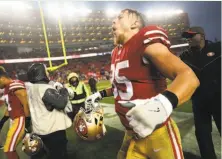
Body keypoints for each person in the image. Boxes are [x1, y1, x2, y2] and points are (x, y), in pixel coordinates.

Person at [85, 9, 199, 159]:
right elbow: (121, 86)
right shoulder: (116, 52)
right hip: (131, 133)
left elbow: (189, 77)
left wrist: (161, 105)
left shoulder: (144, 41)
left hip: (158, 133)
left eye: (120, 18)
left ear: (135, 24)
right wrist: (99, 94)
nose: (113, 21)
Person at [180, 26, 221, 159]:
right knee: (203, 135)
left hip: (219, 98)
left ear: (202, 36)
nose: (188, 39)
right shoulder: (184, 56)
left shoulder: (218, 48)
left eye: (191, 36)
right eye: (187, 37)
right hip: (199, 101)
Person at [26, 63, 72, 159]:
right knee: (59, 154)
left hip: (39, 129)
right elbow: (61, 103)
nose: (47, 73)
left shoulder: (31, 89)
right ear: (40, 73)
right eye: (45, 71)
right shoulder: (44, 88)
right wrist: (64, 91)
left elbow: (47, 105)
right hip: (53, 130)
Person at [0, 66, 30, 159]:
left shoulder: (15, 85)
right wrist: (2, 121)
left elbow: (26, 104)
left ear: (2, 78)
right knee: (12, 148)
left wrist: (28, 120)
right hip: (13, 120)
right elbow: (10, 107)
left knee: (8, 149)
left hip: (19, 119)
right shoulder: (7, 88)